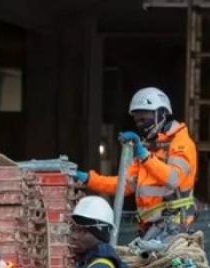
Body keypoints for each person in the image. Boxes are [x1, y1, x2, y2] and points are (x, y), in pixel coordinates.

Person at [76, 87, 198, 240]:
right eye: (137, 120)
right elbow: (124, 185)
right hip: (150, 229)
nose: (140, 124)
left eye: (144, 118)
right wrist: (88, 179)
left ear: (161, 114)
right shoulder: (148, 148)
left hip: (174, 228)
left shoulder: (181, 143)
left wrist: (144, 156)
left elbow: (174, 178)